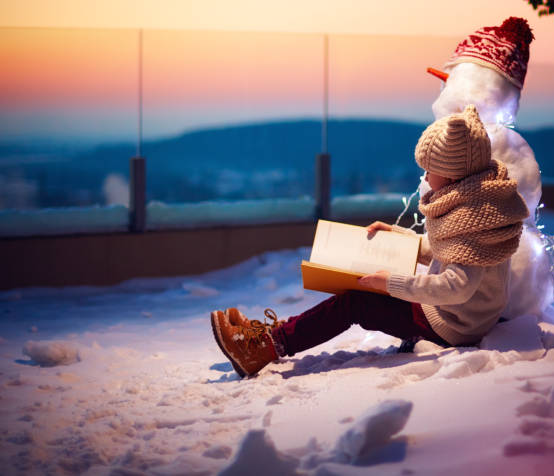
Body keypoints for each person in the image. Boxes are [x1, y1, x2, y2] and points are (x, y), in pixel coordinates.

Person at [210, 105, 529, 378]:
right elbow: (451, 252)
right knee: (360, 287)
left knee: (356, 302)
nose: (425, 178)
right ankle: (276, 334)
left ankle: (265, 347)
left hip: (453, 325)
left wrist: (391, 283)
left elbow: (458, 286)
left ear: (453, 174)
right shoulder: (483, 203)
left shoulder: (474, 217)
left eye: (430, 170)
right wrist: (400, 237)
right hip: (454, 313)